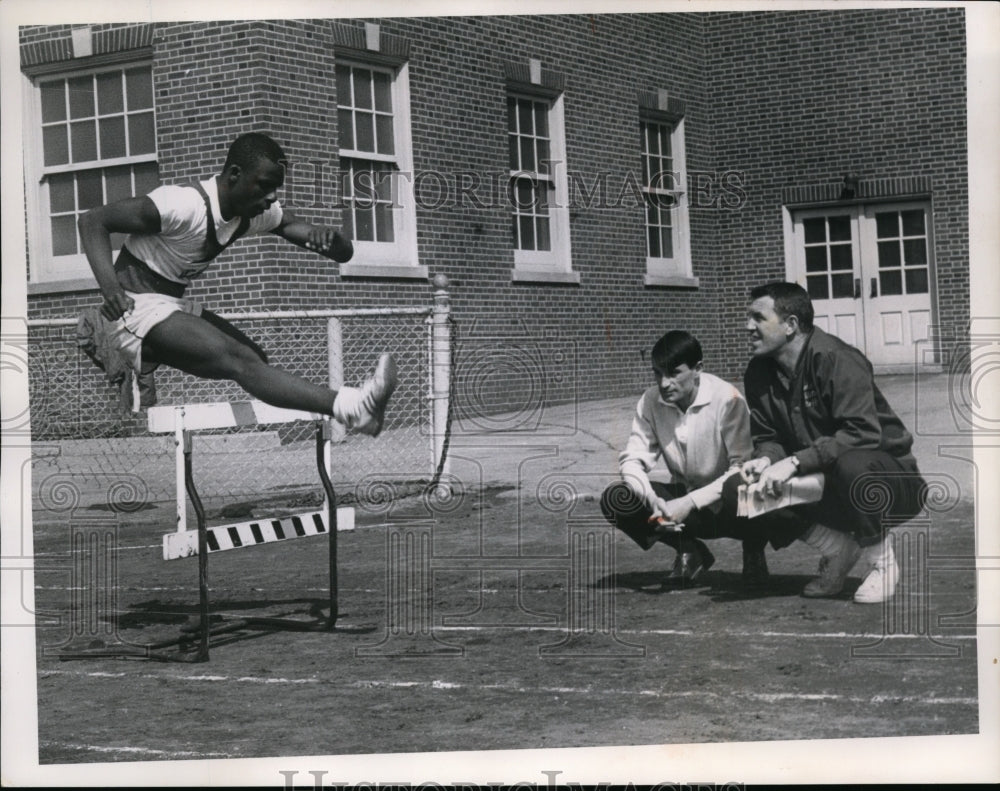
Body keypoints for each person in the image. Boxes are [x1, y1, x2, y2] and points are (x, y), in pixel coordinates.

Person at [78, 132, 396, 435]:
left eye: (276, 189)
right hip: (130, 308)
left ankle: (360, 415)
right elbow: (93, 220)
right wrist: (110, 289)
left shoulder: (255, 212)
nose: (271, 197)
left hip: (167, 302)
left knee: (255, 359)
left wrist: (335, 241)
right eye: (265, 186)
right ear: (234, 174)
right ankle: (355, 407)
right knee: (239, 361)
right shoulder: (183, 205)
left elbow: (337, 249)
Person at [730, 282, 927, 603]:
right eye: (748, 317)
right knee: (743, 492)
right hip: (828, 484)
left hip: (889, 484)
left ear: (791, 325)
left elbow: (861, 434)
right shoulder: (758, 372)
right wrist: (765, 460)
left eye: (757, 318)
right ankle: (837, 550)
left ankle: (881, 563)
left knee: (850, 463)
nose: (747, 326)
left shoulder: (837, 358)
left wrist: (792, 463)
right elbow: (769, 437)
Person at [600, 330, 802, 587]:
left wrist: (689, 502)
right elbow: (632, 459)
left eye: (674, 373)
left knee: (747, 488)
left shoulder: (727, 399)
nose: (664, 383)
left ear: (698, 369)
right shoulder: (650, 400)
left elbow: (741, 469)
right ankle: (689, 550)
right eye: (657, 373)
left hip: (728, 503)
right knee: (617, 498)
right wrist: (652, 500)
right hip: (685, 503)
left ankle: (753, 550)